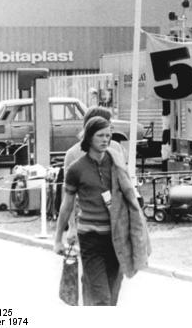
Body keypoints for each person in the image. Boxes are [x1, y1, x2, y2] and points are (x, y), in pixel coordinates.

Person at [54, 116, 149, 306]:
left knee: (111, 296)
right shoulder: (76, 169)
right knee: (101, 298)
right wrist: (58, 239)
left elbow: (129, 196)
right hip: (90, 240)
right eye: (100, 136)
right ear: (89, 138)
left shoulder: (116, 163)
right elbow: (67, 205)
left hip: (116, 239)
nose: (106, 140)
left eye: (108, 135)